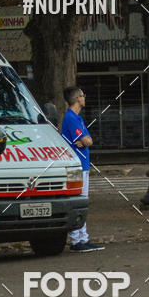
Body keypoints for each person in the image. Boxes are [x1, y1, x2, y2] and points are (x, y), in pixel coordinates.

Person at [61, 86, 105, 253]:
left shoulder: (76, 118)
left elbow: (88, 140)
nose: (85, 97)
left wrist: (85, 140)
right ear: (78, 98)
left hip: (82, 165)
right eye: (83, 95)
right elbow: (85, 140)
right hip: (77, 166)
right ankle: (77, 240)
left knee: (82, 202)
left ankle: (82, 238)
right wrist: (84, 140)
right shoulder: (72, 118)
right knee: (79, 201)